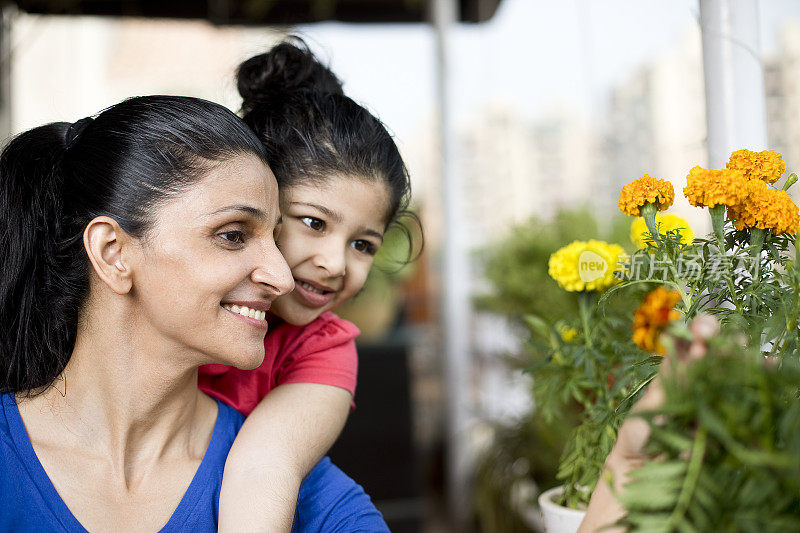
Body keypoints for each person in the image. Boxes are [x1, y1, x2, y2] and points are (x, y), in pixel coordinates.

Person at [0, 95, 389, 532]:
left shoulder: (315, 498)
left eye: (275, 235)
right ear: (113, 252)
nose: (282, 276)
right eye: (233, 235)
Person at [197, 38, 418, 531]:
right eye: (314, 223)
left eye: (363, 244)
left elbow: (265, 464)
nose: (336, 264)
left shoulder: (324, 350)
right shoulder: (181, 301)